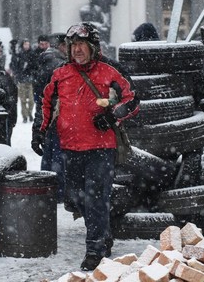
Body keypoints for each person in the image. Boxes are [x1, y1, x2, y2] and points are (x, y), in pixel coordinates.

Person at [32, 22, 138, 271]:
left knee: (96, 197)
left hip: (101, 148)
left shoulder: (110, 70)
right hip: (70, 147)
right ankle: (103, 233)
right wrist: (40, 131)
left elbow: (132, 99)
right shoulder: (60, 73)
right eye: (73, 46)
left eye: (82, 45)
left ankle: (95, 248)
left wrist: (112, 115)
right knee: (75, 198)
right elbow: (46, 103)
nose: (77, 50)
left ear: (92, 47)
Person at [32, 33, 68, 202]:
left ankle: (48, 191)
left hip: (49, 118)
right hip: (60, 117)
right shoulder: (60, 65)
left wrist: (38, 128)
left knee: (49, 158)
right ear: (62, 45)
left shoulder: (43, 62)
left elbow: (40, 100)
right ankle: (58, 193)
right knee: (59, 159)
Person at [14, 39, 35, 123]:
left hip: (30, 80)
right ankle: (25, 116)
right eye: (25, 44)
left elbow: (35, 66)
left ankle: (29, 114)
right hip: (22, 80)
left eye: (28, 44)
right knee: (23, 100)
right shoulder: (19, 55)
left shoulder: (32, 54)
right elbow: (16, 67)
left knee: (31, 100)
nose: (26, 46)